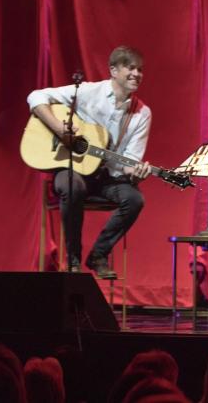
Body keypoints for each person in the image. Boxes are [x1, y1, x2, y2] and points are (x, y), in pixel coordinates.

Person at [27, 46, 151, 278]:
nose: (137, 74)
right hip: (73, 169)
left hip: (107, 177)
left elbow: (130, 161)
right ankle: (73, 259)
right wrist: (60, 130)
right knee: (73, 186)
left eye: (140, 69)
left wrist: (136, 171)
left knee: (134, 199)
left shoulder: (142, 113)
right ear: (113, 70)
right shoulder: (87, 92)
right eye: (130, 68)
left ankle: (98, 255)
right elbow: (36, 96)